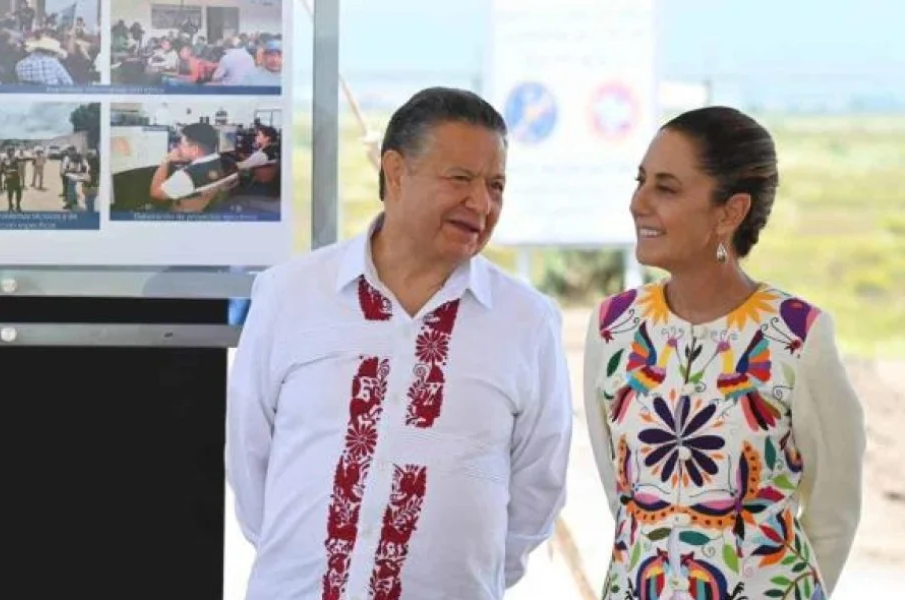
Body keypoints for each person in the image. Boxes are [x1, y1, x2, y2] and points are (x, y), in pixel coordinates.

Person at [227, 87, 573, 600]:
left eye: (496, 185)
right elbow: (249, 457)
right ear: (395, 172)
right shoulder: (289, 293)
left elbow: (537, 490)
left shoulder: (527, 321)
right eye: (460, 179)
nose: (481, 203)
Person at [583, 106, 866, 600]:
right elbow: (622, 497)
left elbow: (834, 514)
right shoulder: (614, 327)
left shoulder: (797, 335)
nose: (638, 202)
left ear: (730, 212)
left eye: (667, 188)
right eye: (641, 180)